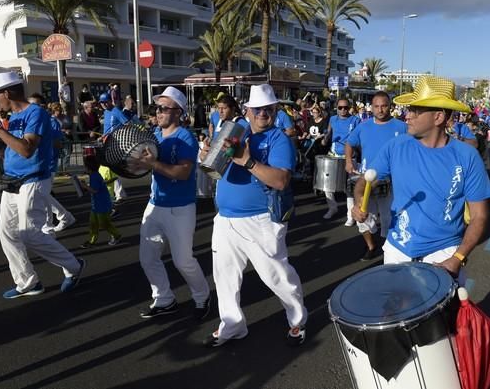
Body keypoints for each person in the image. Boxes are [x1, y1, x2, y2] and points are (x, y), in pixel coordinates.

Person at [352, 76, 490, 282]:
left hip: (444, 253)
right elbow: (364, 182)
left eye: (415, 111)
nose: (406, 116)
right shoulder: (396, 146)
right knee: (392, 312)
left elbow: (479, 216)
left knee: (441, 315)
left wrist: (457, 258)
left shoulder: (467, 157)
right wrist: (358, 202)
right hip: (397, 250)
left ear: (438, 117)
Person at [204, 84, 307, 348]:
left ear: (275, 111)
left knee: (276, 276)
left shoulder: (278, 139)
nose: (263, 113)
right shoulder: (236, 131)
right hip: (225, 219)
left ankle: (297, 319)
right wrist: (206, 154)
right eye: (258, 109)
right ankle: (232, 326)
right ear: (248, 111)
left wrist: (248, 161)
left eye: (269, 109)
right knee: (224, 278)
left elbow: (281, 180)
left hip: (260, 220)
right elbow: (213, 168)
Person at [0, 72, 84, 298]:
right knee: (6, 233)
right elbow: (4, 152)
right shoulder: (14, 117)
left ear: (7, 93)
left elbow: (27, 150)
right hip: (12, 181)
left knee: (29, 233)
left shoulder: (35, 113)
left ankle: (74, 265)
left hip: (34, 179)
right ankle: (28, 282)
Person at [132, 86, 211, 319]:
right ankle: (164, 299)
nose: (159, 112)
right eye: (158, 108)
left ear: (179, 112)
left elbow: (184, 173)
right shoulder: (154, 136)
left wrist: (153, 164)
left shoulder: (185, 137)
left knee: (183, 260)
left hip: (180, 208)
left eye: (164, 108)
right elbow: (141, 165)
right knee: (147, 258)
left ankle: (202, 296)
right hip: (155, 204)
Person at [346, 91, 407, 260]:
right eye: (376, 106)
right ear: (371, 108)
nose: (380, 110)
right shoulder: (363, 126)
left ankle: (389, 248)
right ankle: (371, 246)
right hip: (366, 180)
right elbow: (349, 144)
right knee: (363, 217)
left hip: (391, 180)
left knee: (389, 218)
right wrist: (348, 161)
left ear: (390, 107)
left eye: (384, 106)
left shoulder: (401, 127)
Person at [27, 93, 76, 233]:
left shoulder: (51, 121)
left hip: (48, 163)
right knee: (42, 194)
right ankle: (62, 217)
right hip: (36, 164)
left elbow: (57, 143)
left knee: (43, 194)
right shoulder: (34, 120)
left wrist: (39, 141)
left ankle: (50, 223)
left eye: (36, 105)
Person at [321, 98, 360, 224]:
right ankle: (332, 207)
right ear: (336, 108)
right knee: (327, 185)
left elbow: (360, 137)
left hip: (350, 157)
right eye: (340, 107)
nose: (343, 110)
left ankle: (350, 215)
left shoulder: (355, 120)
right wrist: (325, 139)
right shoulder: (333, 119)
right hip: (334, 154)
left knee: (349, 187)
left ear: (350, 108)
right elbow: (329, 132)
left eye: (346, 108)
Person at [79, 155, 122, 248]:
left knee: (104, 223)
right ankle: (92, 240)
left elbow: (95, 190)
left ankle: (116, 235)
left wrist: (84, 186)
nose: (84, 168)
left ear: (88, 168)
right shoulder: (95, 174)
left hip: (102, 205)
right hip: (97, 204)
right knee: (93, 223)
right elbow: (100, 185)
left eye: (85, 166)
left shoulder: (94, 176)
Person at [99, 92, 129, 203]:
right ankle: (120, 193)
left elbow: (127, 124)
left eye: (105, 102)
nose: (103, 104)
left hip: (114, 143)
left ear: (109, 101)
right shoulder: (106, 112)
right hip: (106, 142)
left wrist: (117, 135)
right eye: (101, 103)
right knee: (113, 169)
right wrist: (103, 136)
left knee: (110, 167)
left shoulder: (116, 111)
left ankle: (117, 194)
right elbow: (108, 127)